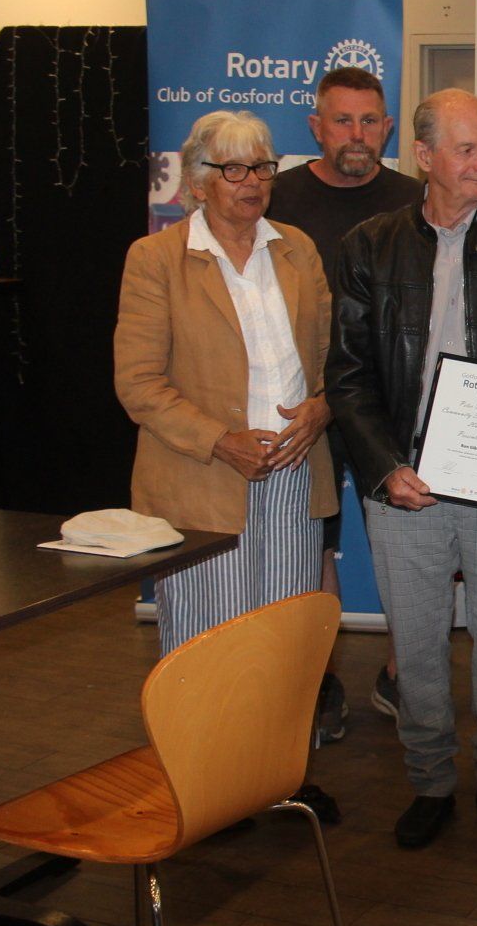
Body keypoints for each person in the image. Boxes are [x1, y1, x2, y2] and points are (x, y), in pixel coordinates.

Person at [326, 88, 477, 850]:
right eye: (467, 149)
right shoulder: (369, 246)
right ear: (424, 157)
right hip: (408, 487)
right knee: (420, 649)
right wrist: (384, 468)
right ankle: (429, 782)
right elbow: (349, 375)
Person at [113, 109, 337, 657]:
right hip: (201, 477)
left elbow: (337, 357)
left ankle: (276, 746)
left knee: (285, 646)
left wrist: (321, 408)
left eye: (262, 167)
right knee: (209, 650)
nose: (253, 183)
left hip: (293, 471)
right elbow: (138, 383)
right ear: (195, 182)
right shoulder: (155, 260)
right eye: (233, 170)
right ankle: (202, 749)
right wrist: (221, 441)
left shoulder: (297, 248)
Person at [266, 66, 422, 746]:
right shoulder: (275, 201)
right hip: (305, 405)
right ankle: (315, 682)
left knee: (408, 548)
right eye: (342, 121)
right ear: (314, 128)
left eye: (369, 121)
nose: (356, 135)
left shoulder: (416, 200)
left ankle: (402, 673)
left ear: (387, 128)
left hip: (397, 405)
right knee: (311, 549)